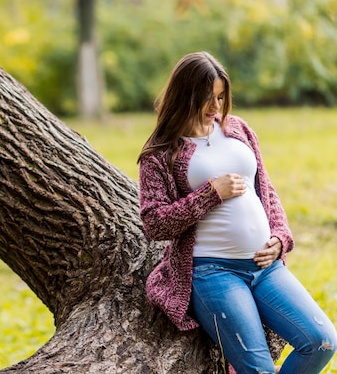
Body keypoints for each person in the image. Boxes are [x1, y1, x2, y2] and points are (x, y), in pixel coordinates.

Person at [137, 51, 336, 374]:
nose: (216, 107)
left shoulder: (238, 129)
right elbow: (154, 222)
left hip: (265, 268)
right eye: (207, 98)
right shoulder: (161, 152)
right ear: (184, 95)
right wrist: (210, 194)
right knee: (257, 370)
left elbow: (266, 190)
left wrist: (280, 237)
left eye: (220, 96)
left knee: (322, 341)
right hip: (212, 272)